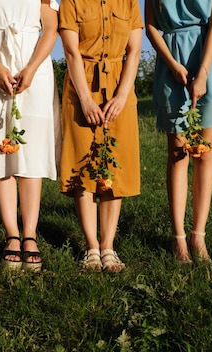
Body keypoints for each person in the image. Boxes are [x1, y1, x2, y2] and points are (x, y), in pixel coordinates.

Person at [0, 0, 61, 272]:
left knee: (31, 151)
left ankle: (30, 234)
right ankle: (11, 234)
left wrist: (31, 68)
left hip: (34, 66)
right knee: (0, 150)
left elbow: (51, 28)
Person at [144, 0, 212, 263]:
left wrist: (203, 74)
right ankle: (178, 239)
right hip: (171, 58)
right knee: (178, 154)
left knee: (205, 154)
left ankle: (198, 235)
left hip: (209, 57)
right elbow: (151, 27)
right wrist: (173, 65)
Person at [58, 0, 143, 273]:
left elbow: (135, 51)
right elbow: (71, 51)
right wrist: (84, 99)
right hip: (82, 86)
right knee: (83, 166)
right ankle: (92, 246)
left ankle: (109, 246)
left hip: (120, 87)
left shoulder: (129, 2)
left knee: (113, 168)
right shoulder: (71, 2)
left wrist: (122, 96)